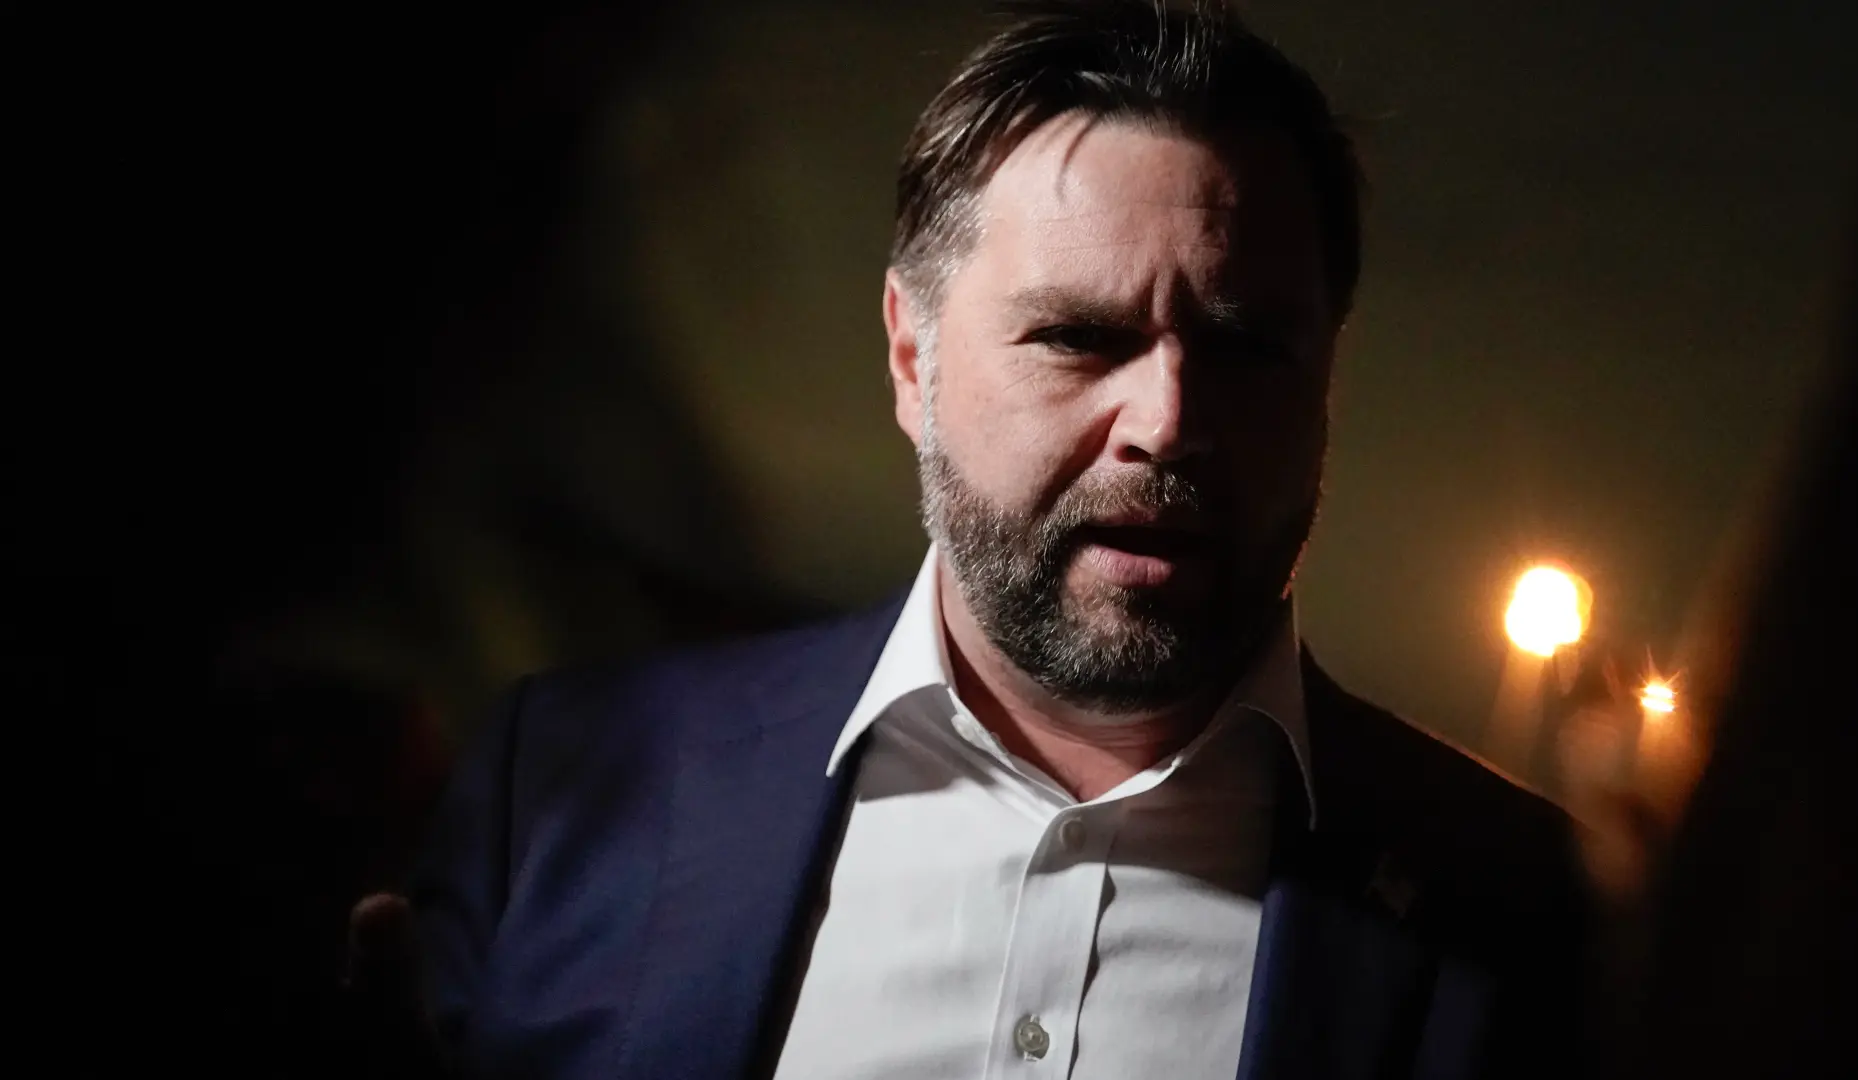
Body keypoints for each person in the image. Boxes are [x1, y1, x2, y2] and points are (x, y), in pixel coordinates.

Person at [358, 3, 1592, 1077]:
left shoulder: (1540, 909)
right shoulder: (564, 788)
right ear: (913, 356)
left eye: (1247, 347)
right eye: (1079, 338)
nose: (1168, 422)